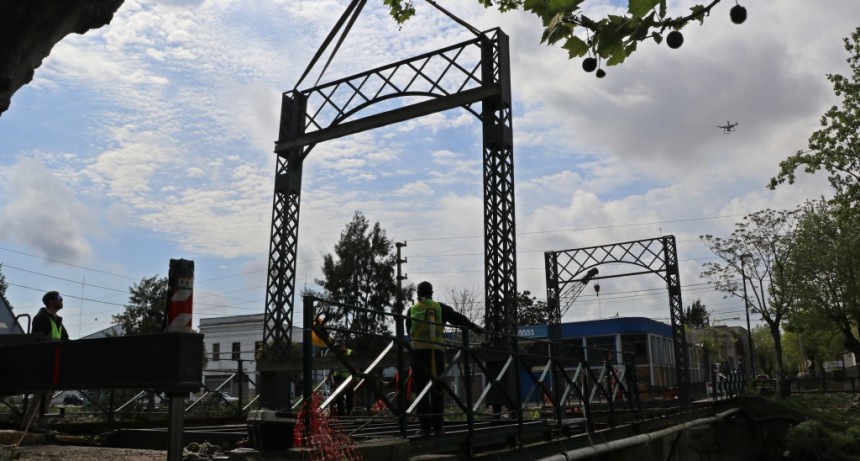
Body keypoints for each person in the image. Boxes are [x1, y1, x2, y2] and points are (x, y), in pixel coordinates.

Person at [406, 281, 481, 436]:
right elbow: (458, 319)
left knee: (421, 391)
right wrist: (474, 326)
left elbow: (408, 330)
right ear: (432, 293)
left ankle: (424, 428)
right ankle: (438, 427)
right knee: (437, 389)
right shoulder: (440, 308)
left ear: (418, 295)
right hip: (436, 354)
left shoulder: (412, 310)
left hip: (418, 354)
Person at [22, 291, 70, 430]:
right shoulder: (41, 318)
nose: (62, 301)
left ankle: (41, 423)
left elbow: (65, 340)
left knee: (48, 394)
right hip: (43, 361)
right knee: (40, 394)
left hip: (54, 362)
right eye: (59, 299)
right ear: (50, 302)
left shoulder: (58, 321)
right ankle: (29, 424)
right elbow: (37, 339)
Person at [328, 340, 354, 416]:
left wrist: (352, 380)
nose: (338, 348)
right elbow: (332, 366)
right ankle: (341, 415)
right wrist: (329, 376)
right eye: (337, 346)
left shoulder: (350, 353)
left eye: (339, 346)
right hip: (337, 379)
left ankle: (349, 414)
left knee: (349, 397)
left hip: (347, 379)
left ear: (344, 345)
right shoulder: (335, 354)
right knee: (339, 397)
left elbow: (356, 367)